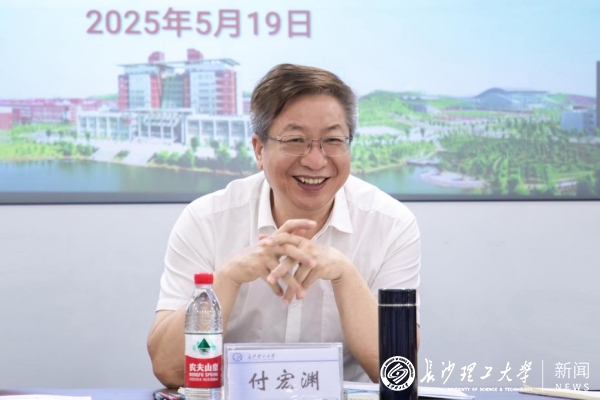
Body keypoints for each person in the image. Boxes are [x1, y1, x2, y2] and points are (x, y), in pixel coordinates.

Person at [147, 63, 421, 388]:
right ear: (259, 149)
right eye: (295, 140)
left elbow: (397, 372)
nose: (315, 160)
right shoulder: (206, 221)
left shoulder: (391, 225)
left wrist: (345, 276)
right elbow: (168, 368)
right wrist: (228, 277)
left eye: (333, 140)